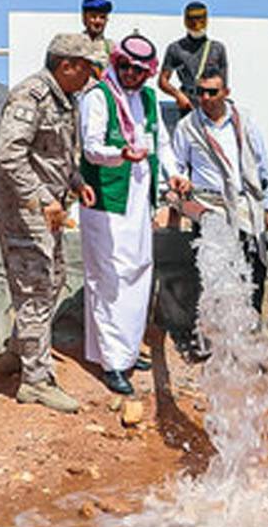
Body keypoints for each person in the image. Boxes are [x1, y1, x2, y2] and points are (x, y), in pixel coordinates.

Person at [0, 33, 97, 414]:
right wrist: (43, 199)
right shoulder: (30, 95)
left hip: (47, 212)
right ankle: (35, 381)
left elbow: (57, 155)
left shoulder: (66, 100)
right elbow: (10, 155)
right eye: (87, 67)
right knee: (35, 289)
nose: (92, 75)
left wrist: (77, 183)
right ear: (66, 65)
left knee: (52, 282)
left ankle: (20, 349)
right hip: (24, 212)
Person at [78, 33, 190, 395]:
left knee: (139, 271)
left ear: (148, 72)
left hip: (139, 201)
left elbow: (161, 143)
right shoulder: (97, 97)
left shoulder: (148, 98)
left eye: (138, 70)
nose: (129, 74)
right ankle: (113, 363)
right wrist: (121, 154)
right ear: (115, 62)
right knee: (109, 277)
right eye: (124, 66)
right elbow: (92, 147)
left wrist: (174, 172)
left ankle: (124, 350)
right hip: (107, 201)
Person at [172, 68, 268, 312]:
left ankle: (250, 340)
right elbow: (176, 165)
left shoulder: (245, 122)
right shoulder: (187, 127)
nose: (205, 97)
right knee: (215, 279)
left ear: (226, 93)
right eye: (200, 92)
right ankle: (218, 343)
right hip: (209, 208)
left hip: (245, 207)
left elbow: (262, 165)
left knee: (253, 275)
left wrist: (267, 206)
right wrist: (182, 179)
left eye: (212, 92)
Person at [159, 1, 229, 114]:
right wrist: (178, 95)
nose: (196, 24)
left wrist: (218, 101)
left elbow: (223, 83)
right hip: (188, 105)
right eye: (192, 19)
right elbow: (163, 80)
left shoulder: (217, 48)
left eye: (200, 19)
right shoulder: (175, 48)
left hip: (211, 104)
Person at [81, 0, 115, 70]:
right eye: (93, 17)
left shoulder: (111, 47)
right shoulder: (75, 43)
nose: (98, 21)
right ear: (84, 18)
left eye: (102, 17)